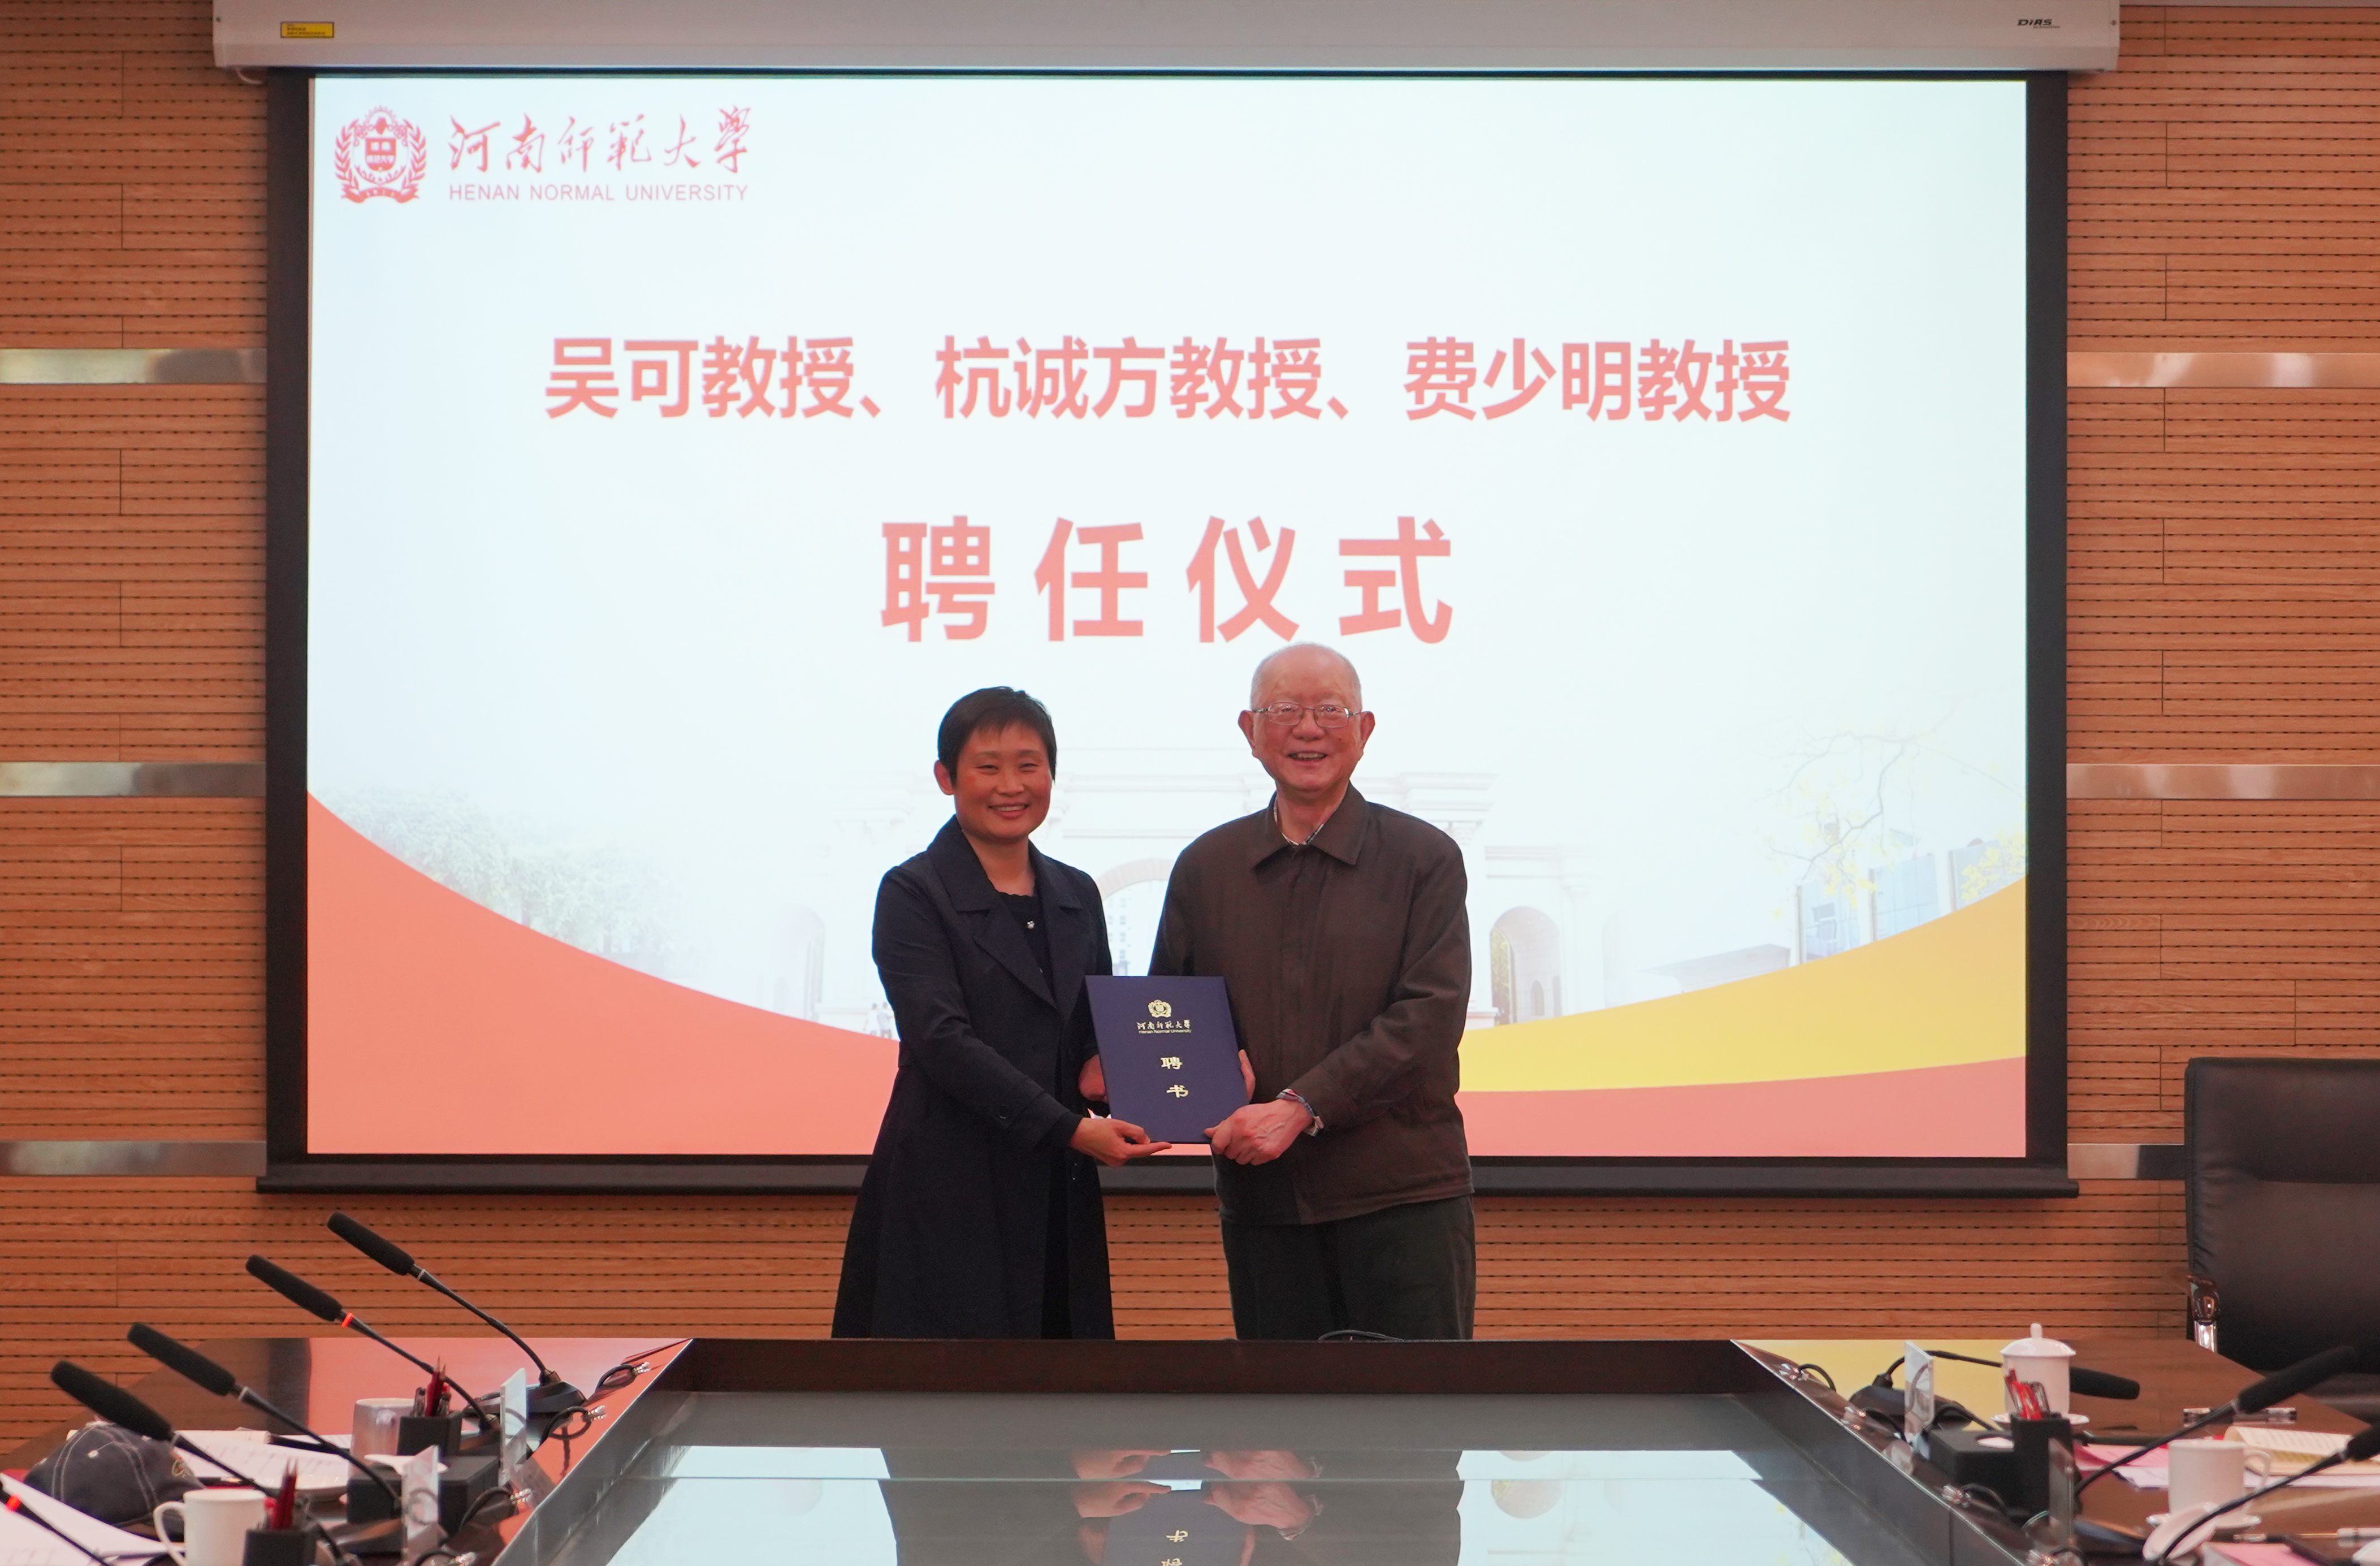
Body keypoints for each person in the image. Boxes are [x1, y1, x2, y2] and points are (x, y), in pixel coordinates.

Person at [1148, 644, 1474, 1340]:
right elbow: (1169, 1011)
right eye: (1283, 710)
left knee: (1414, 1409)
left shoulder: (1423, 858)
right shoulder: (1207, 867)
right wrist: (1158, 1079)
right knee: (1277, 1410)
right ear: (1249, 730)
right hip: (1264, 1203)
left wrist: (1302, 1106)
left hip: (1402, 1199)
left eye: (1330, 710)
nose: (1307, 728)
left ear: (1365, 729)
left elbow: (1429, 1015)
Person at [834, 687, 1170, 1339]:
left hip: (1055, 1185)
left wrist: (1135, 1071)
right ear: (946, 777)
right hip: (950, 1178)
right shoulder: (913, 891)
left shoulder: (1076, 892)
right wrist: (1068, 1128)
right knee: (949, 1383)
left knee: (1062, 1378)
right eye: (987, 766)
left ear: (1051, 774)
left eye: (1028, 765)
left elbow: (1093, 1029)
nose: (1011, 785)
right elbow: (940, 1039)